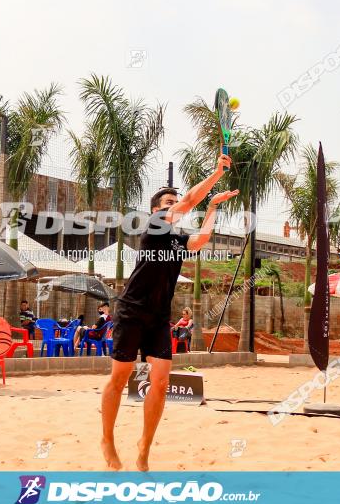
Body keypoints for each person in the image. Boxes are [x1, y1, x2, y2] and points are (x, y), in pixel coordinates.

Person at [101, 154, 238, 471]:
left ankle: (144, 446)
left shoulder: (176, 239)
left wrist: (214, 208)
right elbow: (190, 200)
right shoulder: (154, 225)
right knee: (119, 379)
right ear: (156, 210)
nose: (173, 205)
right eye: (167, 202)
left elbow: (201, 239)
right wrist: (216, 173)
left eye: (173, 202)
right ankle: (107, 438)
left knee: (160, 382)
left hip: (159, 317)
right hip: (132, 311)